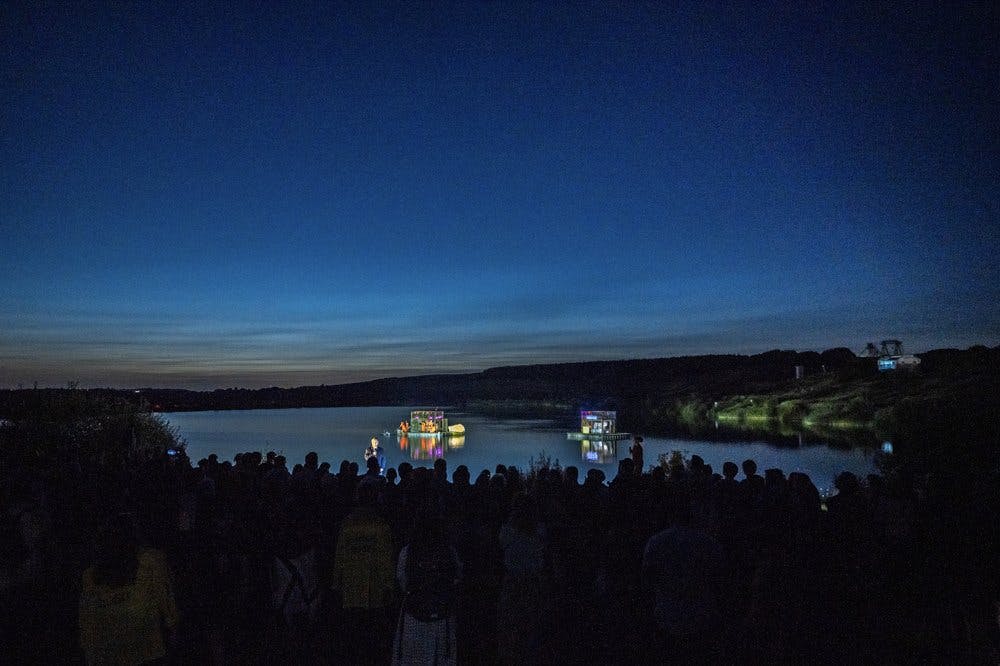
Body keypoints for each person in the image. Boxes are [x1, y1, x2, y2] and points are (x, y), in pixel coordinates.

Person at [79, 516, 180, 665]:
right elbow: (167, 603)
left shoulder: (90, 575)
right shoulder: (152, 561)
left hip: (108, 653)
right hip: (145, 650)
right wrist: (173, 628)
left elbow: (88, 619)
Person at [393, 514, 462, 666]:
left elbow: (402, 580)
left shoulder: (408, 551)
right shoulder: (448, 551)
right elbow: (457, 579)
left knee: (413, 656)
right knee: (440, 656)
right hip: (441, 615)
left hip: (414, 613)